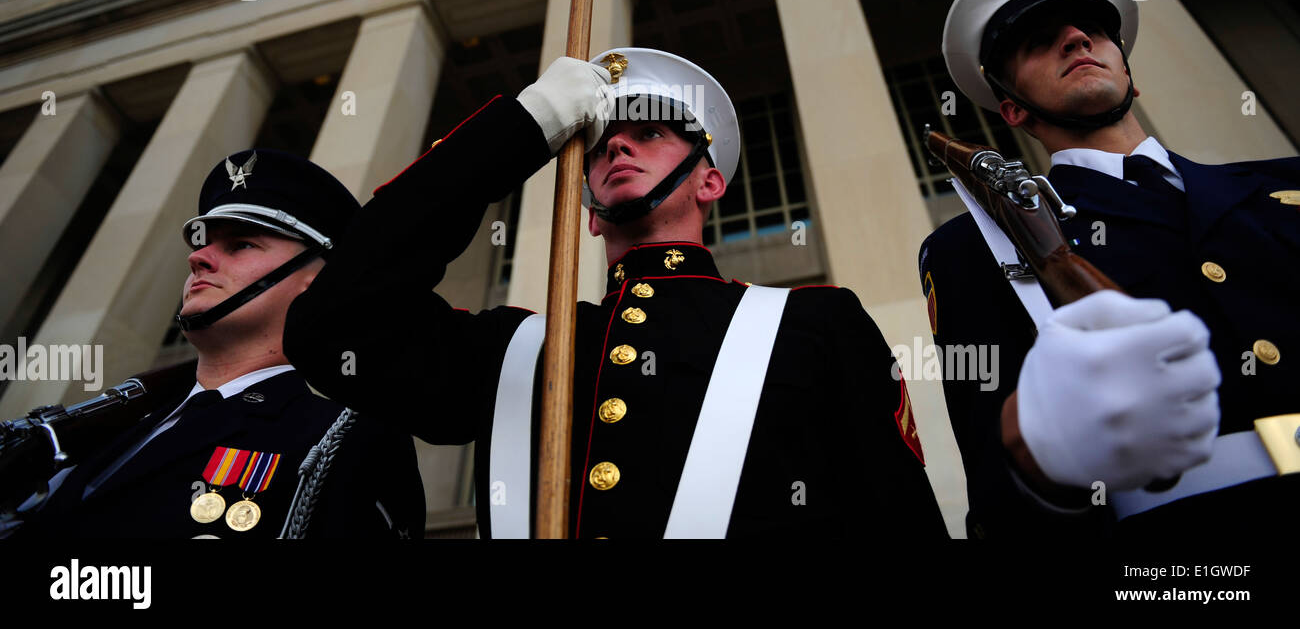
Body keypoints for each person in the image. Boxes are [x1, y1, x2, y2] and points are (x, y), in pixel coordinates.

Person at [283, 47, 947, 538]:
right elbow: (333, 323)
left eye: (651, 133)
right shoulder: (518, 351)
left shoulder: (814, 324)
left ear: (709, 182)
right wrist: (522, 126)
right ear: (591, 212)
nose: (618, 145)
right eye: (599, 146)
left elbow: (899, 518)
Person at [920, 0, 1300, 538]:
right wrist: (1040, 458)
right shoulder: (977, 246)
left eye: (1092, 28)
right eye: (1040, 40)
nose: (1075, 37)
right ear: (1012, 110)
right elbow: (1002, 507)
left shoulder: (1285, 186)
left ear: (1131, 74)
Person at [8, 149, 426, 539]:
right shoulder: (105, 429)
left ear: (315, 284)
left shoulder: (343, 438)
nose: (197, 258)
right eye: (204, 243)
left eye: (241, 244)